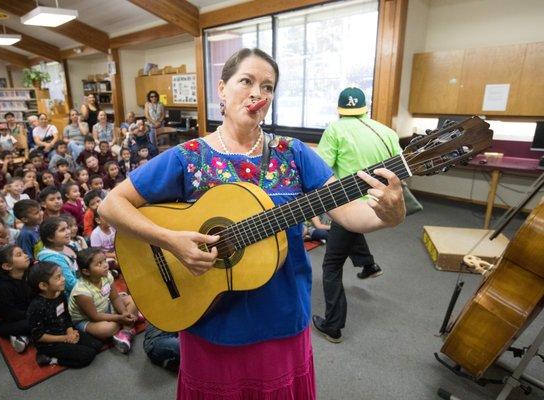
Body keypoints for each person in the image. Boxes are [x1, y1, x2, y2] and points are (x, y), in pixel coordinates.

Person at [98, 48, 405, 398]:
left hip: (281, 313)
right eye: (246, 81)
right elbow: (111, 205)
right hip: (209, 318)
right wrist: (170, 241)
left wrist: (389, 215)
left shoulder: (294, 152)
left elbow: (351, 214)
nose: (258, 93)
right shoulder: (189, 156)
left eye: (268, 87)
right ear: (222, 89)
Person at [312, 87, 405, 343]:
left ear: (339, 109)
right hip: (380, 207)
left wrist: (314, 211)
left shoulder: (336, 129)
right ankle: (368, 264)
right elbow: (399, 172)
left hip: (350, 207)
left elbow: (320, 170)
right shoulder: (386, 131)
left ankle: (332, 325)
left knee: (331, 266)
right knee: (349, 234)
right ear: (366, 106)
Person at [26, 261, 103, 367]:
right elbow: (39, 336)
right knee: (88, 355)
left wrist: (70, 331)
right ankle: (50, 359)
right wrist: (65, 338)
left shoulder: (60, 294)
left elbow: (66, 316)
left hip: (64, 332)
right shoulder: (36, 307)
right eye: (58, 277)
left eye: (62, 275)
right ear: (43, 285)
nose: (63, 279)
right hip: (50, 343)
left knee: (97, 345)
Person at [69, 247, 138, 354]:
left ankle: (125, 332)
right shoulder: (81, 291)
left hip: (105, 307)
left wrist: (124, 313)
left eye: (105, 260)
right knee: (109, 328)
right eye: (99, 264)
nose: (105, 265)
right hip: (87, 319)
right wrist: (120, 318)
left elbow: (115, 298)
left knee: (132, 300)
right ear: (86, 271)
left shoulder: (106, 275)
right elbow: (94, 316)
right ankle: (129, 325)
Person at [0, 245, 33, 353]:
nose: (26, 255)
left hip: (24, 308)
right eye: (19, 255)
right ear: (7, 266)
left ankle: (24, 336)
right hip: (7, 320)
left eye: (23, 252)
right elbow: (10, 314)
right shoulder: (2, 288)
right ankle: (16, 334)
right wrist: (34, 313)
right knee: (39, 320)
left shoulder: (27, 272)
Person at [36, 217, 79, 296]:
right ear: (50, 238)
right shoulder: (52, 258)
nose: (68, 232)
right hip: (71, 297)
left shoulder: (66, 245)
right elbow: (70, 284)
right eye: (62, 230)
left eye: (67, 228)